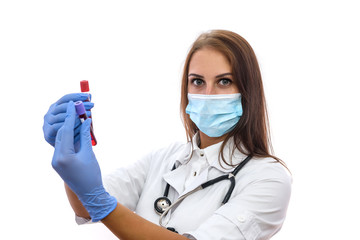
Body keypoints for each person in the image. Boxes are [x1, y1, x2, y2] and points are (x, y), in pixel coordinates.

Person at [43, 30, 292, 240]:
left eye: (224, 81)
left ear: (248, 91)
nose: (207, 94)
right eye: (197, 82)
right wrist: (72, 151)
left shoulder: (268, 178)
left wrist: (102, 204)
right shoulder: (163, 158)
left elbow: (96, 201)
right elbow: (86, 207)